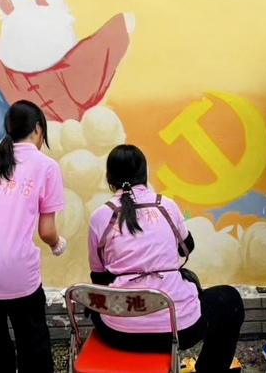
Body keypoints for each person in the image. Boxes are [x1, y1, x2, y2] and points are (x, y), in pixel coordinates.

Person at [88, 144, 245, 373]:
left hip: (118, 332)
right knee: (231, 300)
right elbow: (187, 248)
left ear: (110, 178)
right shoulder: (166, 206)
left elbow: (98, 277)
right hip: (178, 329)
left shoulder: (99, 216)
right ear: (144, 174)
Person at [0, 100, 68, 373]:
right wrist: (57, 244)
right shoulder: (46, 166)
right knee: (33, 345)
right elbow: (47, 231)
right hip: (12, 269)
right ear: (38, 129)